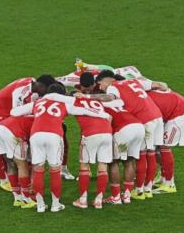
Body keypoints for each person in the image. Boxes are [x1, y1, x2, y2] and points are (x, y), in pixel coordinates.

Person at [10, 83, 111, 213]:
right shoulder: (65, 104)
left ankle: (40, 205)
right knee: (55, 170)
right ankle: (55, 204)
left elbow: (14, 112)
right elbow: (84, 111)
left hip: (36, 135)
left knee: (38, 169)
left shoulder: (37, 103)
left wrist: (35, 113)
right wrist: (103, 115)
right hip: (54, 135)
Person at [91, 70, 165, 199]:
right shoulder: (133, 81)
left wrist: (87, 97)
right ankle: (148, 188)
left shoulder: (113, 87)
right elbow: (160, 85)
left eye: (100, 85)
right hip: (157, 116)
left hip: (144, 120)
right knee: (151, 153)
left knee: (139, 156)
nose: (101, 88)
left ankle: (140, 190)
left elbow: (110, 98)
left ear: (105, 81)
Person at [0, 75, 55, 191]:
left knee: (11, 147)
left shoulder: (32, 85)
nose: (46, 93)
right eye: (46, 90)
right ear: (41, 86)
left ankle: (16, 176)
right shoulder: (21, 91)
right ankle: (3, 180)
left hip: (6, 114)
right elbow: (16, 113)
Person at [148, 89, 184, 193]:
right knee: (157, 144)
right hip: (171, 111)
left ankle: (169, 184)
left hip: (181, 113)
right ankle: (163, 176)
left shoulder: (143, 102)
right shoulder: (140, 93)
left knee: (164, 146)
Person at [71, 97, 113, 209]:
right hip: (107, 133)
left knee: (84, 165)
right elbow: (110, 117)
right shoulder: (96, 100)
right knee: (103, 166)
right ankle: (98, 201)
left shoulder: (74, 102)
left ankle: (82, 200)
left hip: (90, 133)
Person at [102, 99, 145, 204]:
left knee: (113, 162)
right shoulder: (117, 102)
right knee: (129, 160)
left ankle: (116, 197)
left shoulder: (100, 107)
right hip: (139, 127)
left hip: (124, 130)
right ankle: (127, 196)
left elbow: (108, 121)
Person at [0, 115, 37, 208]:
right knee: (22, 164)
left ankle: (17, 198)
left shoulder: (36, 116)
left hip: (0, 128)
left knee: (10, 163)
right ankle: (26, 200)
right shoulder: (45, 127)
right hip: (15, 132)